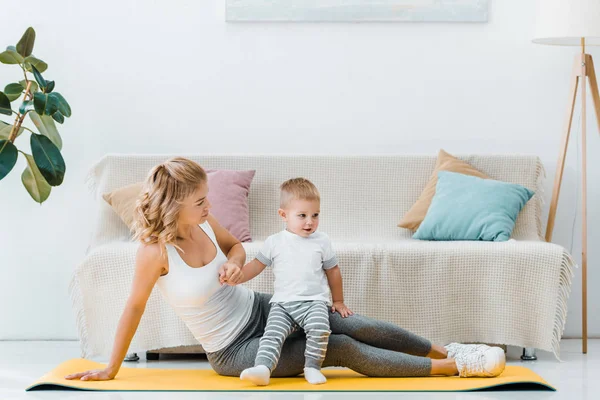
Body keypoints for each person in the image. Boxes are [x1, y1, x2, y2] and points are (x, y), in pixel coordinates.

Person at [65, 157, 506, 383]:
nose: (208, 206)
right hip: (234, 350)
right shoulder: (153, 251)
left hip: (263, 307)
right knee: (339, 347)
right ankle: (454, 370)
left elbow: (236, 247)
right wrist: (110, 368)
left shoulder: (202, 220)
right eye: (200, 200)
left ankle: (447, 349)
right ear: (174, 204)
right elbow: (134, 307)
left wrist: (236, 266)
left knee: (341, 319)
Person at [236, 178, 352, 386]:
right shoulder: (274, 242)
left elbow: (333, 271)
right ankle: (263, 368)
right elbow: (256, 265)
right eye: (302, 216)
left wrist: (339, 301)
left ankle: (312, 367)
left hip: (313, 302)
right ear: (283, 215)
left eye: (315, 215)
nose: (310, 222)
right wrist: (238, 277)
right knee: (271, 334)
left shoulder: (322, 241)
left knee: (320, 329)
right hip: (282, 304)